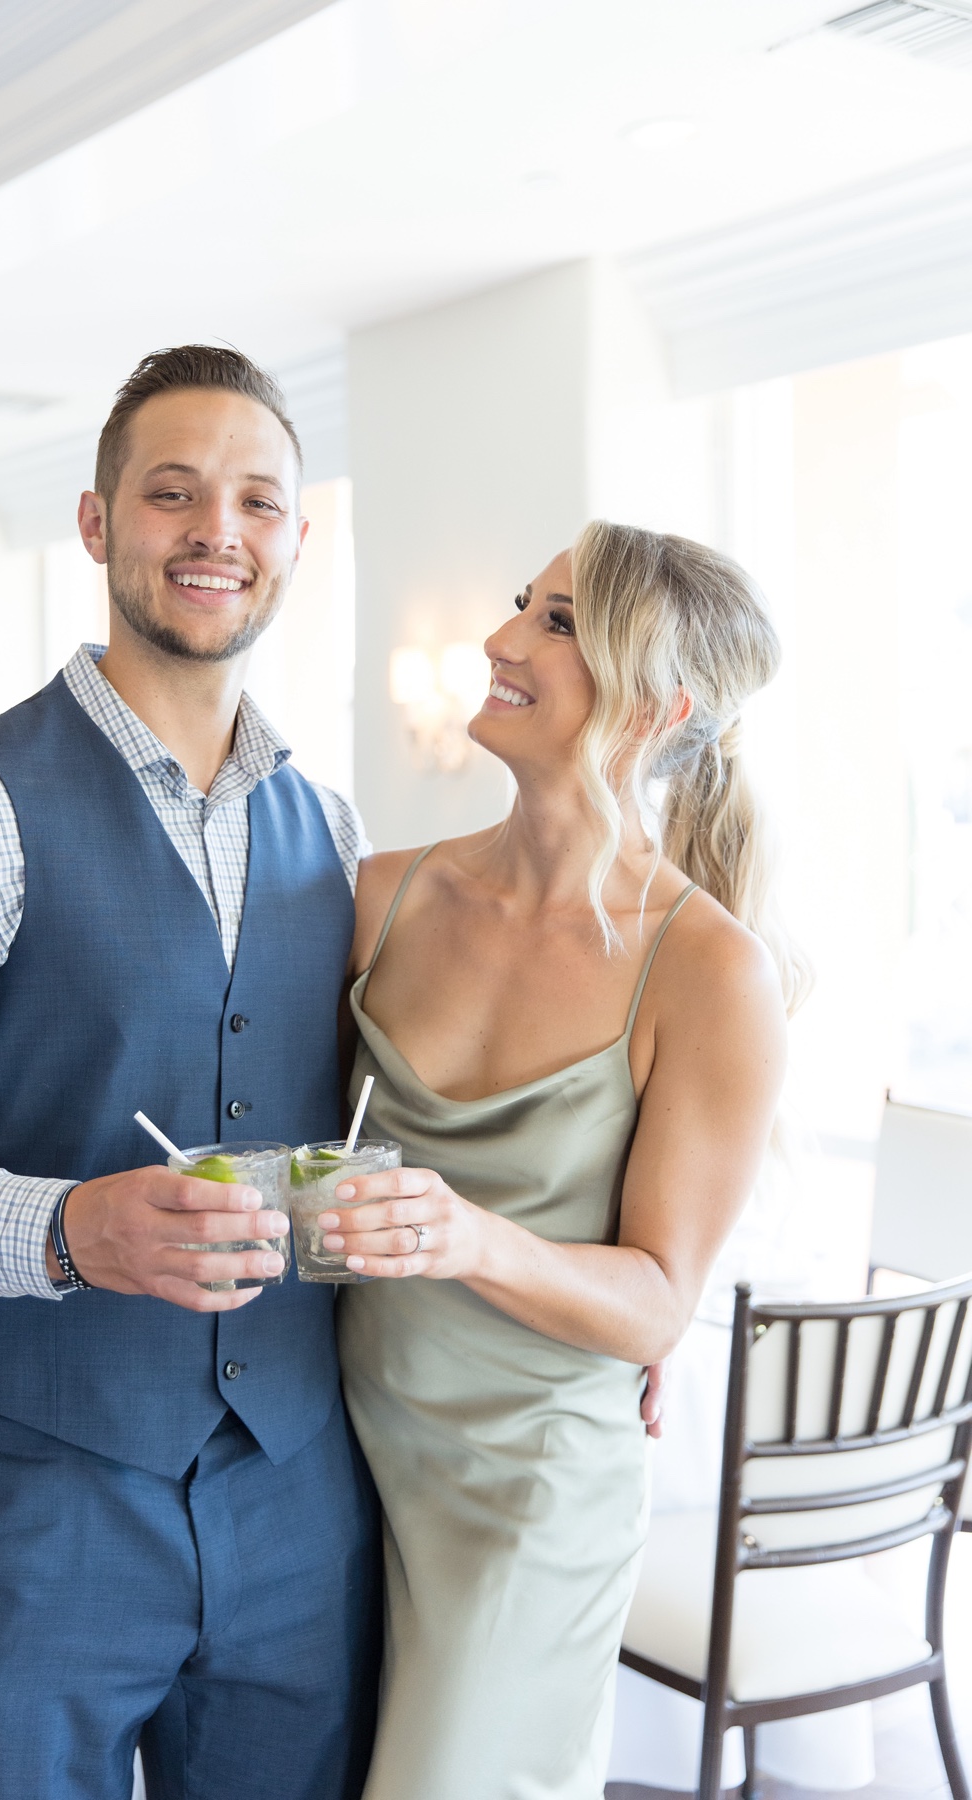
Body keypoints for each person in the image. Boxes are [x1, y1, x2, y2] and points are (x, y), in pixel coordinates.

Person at [0, 347, 383, 1800]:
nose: (216, 532)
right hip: (35, 1496)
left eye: (256, 501)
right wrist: (58, 1228)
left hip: (297, 1497)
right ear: (100, 523)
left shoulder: (338, 830)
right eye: (172, 494)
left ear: (299, 537)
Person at [320, 522, 804, 1800]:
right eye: (520, 605)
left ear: (660, 705)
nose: (498, 641)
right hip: (325, 1450)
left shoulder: (709, 970)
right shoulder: (376, 895)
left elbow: (656, 1296)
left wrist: (473, 1237)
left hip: (524, 1498)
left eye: (556, 622)